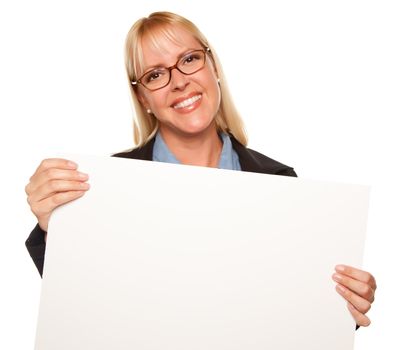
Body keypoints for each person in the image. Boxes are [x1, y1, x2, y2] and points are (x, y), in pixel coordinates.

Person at [24, 11, 376, 328]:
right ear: (143, 98)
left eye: (189, 59)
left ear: (214, 67)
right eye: (155, 74)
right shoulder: (102, 188)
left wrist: (342, 306)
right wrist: (55, 226)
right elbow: (83, 308)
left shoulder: (281, 183)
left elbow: (289, 310)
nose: (179, 82)